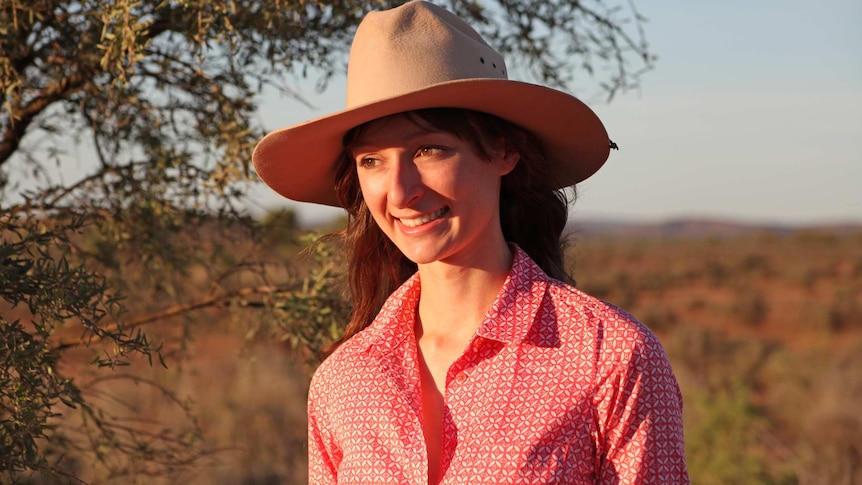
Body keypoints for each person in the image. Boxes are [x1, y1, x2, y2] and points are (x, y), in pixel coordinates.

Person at [253, 1, 690, 483]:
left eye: (428, 149)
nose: (399, 191)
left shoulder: (609, 357)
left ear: (503, 151)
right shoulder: (344, 381)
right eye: (371, 160)